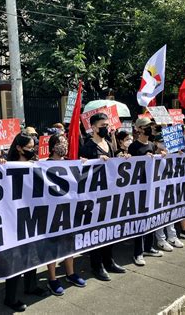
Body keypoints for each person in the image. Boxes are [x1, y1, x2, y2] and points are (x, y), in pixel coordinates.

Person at [4, 133, 48, 312]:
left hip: (33, 214)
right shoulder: (6, 166)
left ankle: (31, 285)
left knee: (33, 252)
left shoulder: (36, 165)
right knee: (16, 257)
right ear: (19, 148)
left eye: (34, 147)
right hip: (14, 217)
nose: (33, 150)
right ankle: (11, 297)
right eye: (29, 148)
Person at [80, 113, 126, 281]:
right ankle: (97, 265)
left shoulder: (108, 143)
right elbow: (83, 171)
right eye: (102, 125)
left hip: (109, 195)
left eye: (107, 124)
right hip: (94, 198)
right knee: (96, 232)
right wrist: (97, 161)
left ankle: (109, 261)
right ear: (93, 127)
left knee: (109, 230)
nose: (106, 127)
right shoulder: (87, 147)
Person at [46, 134, 87, 296]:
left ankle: (70, 273)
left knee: (69, 243)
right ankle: (52, 279)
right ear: (53, 146)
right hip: (50, 212)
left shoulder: (71, 163)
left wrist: (84, 164)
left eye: (65, 142)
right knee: (52, 245)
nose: (64, 145)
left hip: (68, 210)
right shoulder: (43, 164)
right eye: (60, 143)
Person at [128, 118, 164, 266]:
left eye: (151, 126)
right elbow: (131, 166)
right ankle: (138, 252)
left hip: (151, 186)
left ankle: (149, 247)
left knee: (151, 217)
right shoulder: (133, 146)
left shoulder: (151, 145)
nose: (150, 128)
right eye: (147, 126)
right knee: (140, 220)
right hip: (139, 188)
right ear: (139, 129)